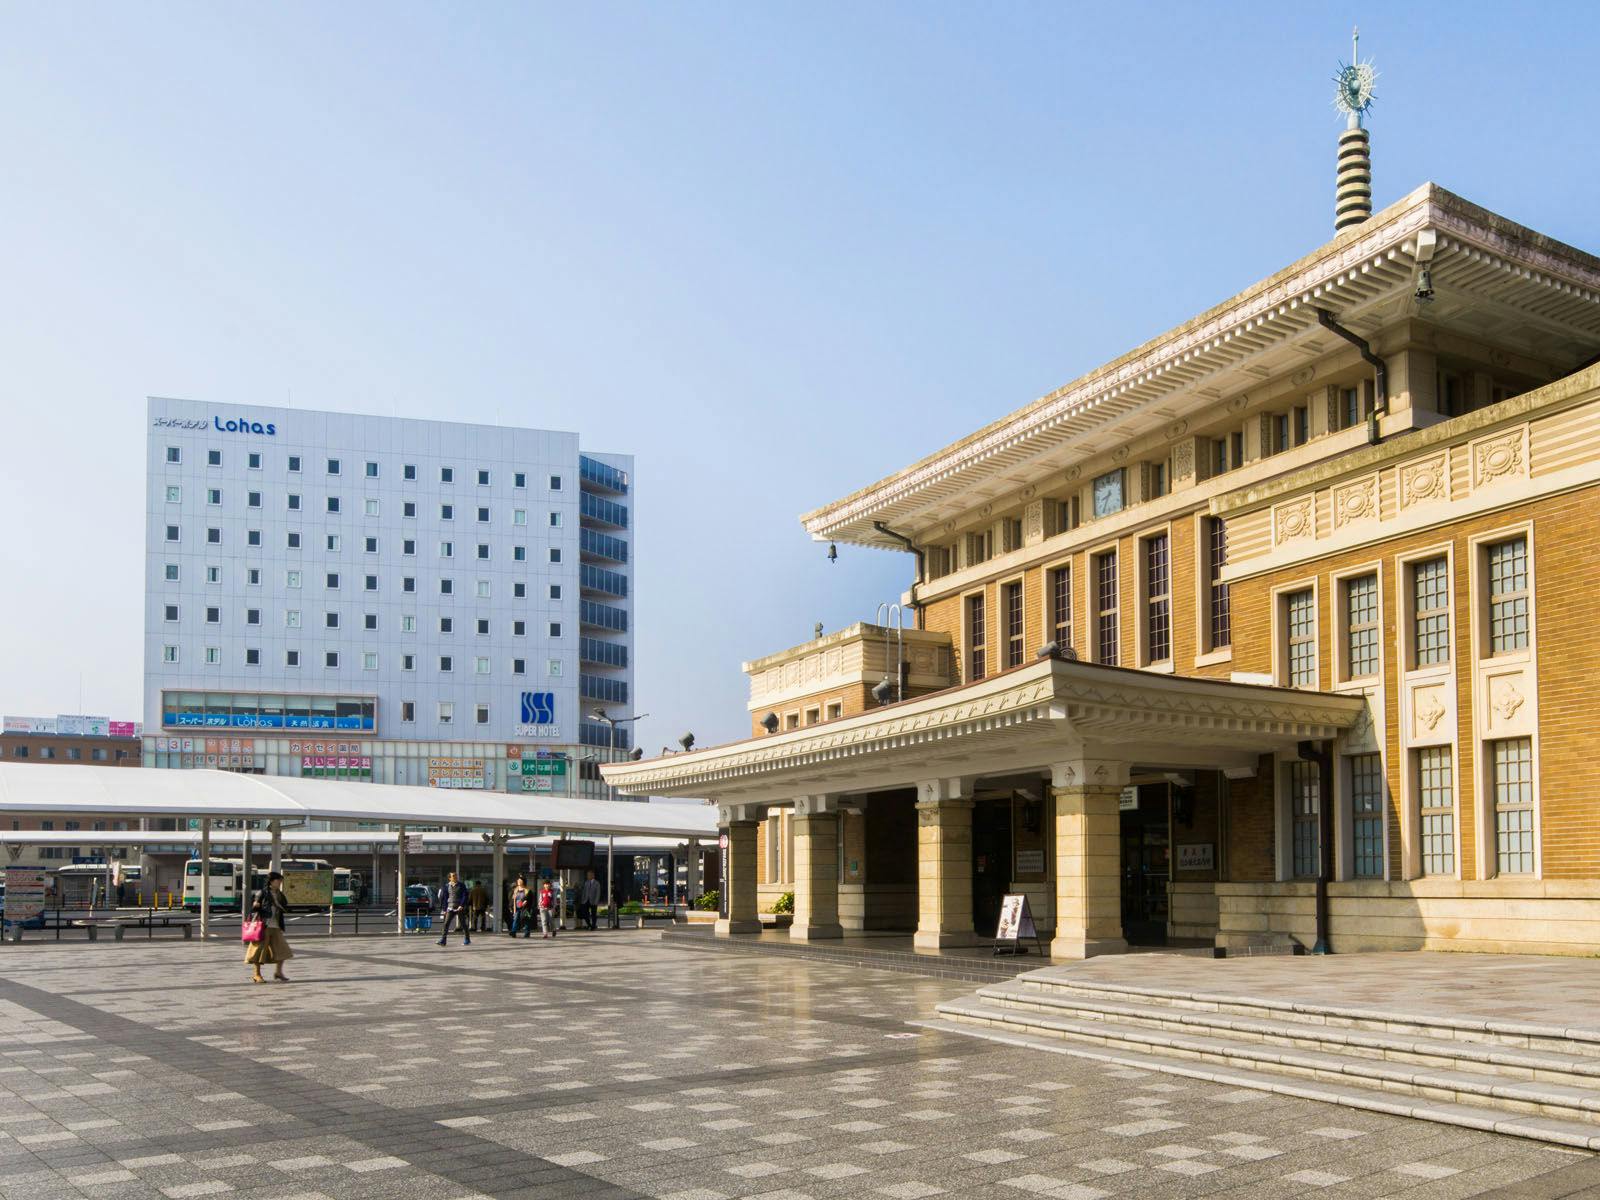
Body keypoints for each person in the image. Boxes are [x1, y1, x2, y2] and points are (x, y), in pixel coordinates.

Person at [246, 871, 293, 984]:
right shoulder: (261, 893)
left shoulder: (279, 894)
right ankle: (257, 975)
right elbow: (254, 907)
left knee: (283, 950)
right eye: (278, 880)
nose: (280, 883)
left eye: (281, 880)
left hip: (276, 925)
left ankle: (278, 972)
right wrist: (256, 906)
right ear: (272, 881)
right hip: (264, 925)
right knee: (259, 951)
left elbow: (285, 906)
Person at [436, 872, 471, 946]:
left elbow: (465, 895)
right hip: (450, 907)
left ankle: (467, 939)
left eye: (456, 876)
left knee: (463, 924)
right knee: (446, 924)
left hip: (459, 908)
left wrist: (462, 905)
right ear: (450, 878)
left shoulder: (461, 885)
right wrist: (444, 909)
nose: (455, 877)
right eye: (453, 876)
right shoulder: (446, 886)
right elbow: (445, 898)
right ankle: (443, 940)